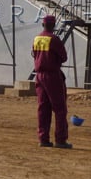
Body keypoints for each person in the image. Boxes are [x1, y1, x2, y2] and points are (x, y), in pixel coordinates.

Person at [31, 15, 71, 149]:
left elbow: (34, 54)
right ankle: (60, 140)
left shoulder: (36, 38)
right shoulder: (54, 39)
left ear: (43, 25)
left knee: (43, 108)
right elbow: (64, 57)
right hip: (52, 76)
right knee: (59, 108)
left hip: (39, 76)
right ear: (53, 26)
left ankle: (43, 139)